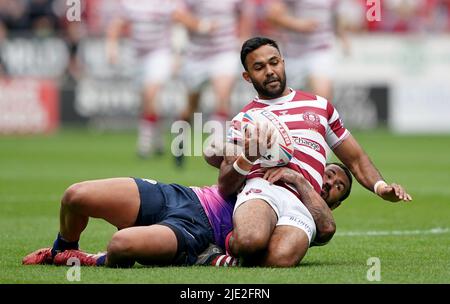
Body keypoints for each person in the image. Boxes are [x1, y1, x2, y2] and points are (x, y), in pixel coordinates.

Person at [204, 37, 412, 267]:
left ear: (283, 62)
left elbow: (355, 158)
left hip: (305, 200)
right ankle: (224, 246)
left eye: (274, 63)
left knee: (279, 260)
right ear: (248, 76)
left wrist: (381, 187)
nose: (270, 71)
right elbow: (226, 180)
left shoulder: (320, 107)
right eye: (259, 67)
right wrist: (241, 155)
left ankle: (230, 254)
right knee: (251, 241)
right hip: (263, 188)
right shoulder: (244, 119)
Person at [22, 162, 351, 268]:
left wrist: (300, 185)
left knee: (122, 245)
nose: (330, 182)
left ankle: (92, 259)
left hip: (196, 232)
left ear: (332, 203)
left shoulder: (302, 218)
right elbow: (218, 159)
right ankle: (61, 248)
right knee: (76, 195)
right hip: (184, 195)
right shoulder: (280, 166)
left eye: (337, 187)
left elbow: (320, 231)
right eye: (331, 173)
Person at [172, 0, 252, 166]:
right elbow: (178, 14)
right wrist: (201, 25)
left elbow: (244, 13)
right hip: (197, 55)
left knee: (222, 97)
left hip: (224, 52)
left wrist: (243, 37)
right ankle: (180, 140)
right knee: (191, 107)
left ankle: (215, 149)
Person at [106, 0, 179, 158]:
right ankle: (157, 136)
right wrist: (112, 47)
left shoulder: (165, 3)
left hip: (160, 53)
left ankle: (144, 143)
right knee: (145, 101)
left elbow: (180, 21)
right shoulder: (130, 4)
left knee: (150, 94)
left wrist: (178, 52)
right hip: (138, 56)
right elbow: (116, 24)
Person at [264, 0, 351, 102]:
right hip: (293, 53)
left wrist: (344, 38)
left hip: (321, 50)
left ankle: (321, 116)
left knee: (322, 99)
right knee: (288, 102)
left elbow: (336, 15)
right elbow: (271, 16)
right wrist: (297, 24)